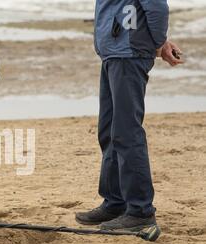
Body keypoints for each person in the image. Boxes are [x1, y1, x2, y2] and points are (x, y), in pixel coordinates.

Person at [76, 0, 183, 231]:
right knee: (108, 133)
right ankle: (115, 202)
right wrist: (158, 42)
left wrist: (155, 43)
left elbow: (158, 8)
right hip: (113, 55)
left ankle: (140, 211)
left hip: (129, 55)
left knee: (127, 133)